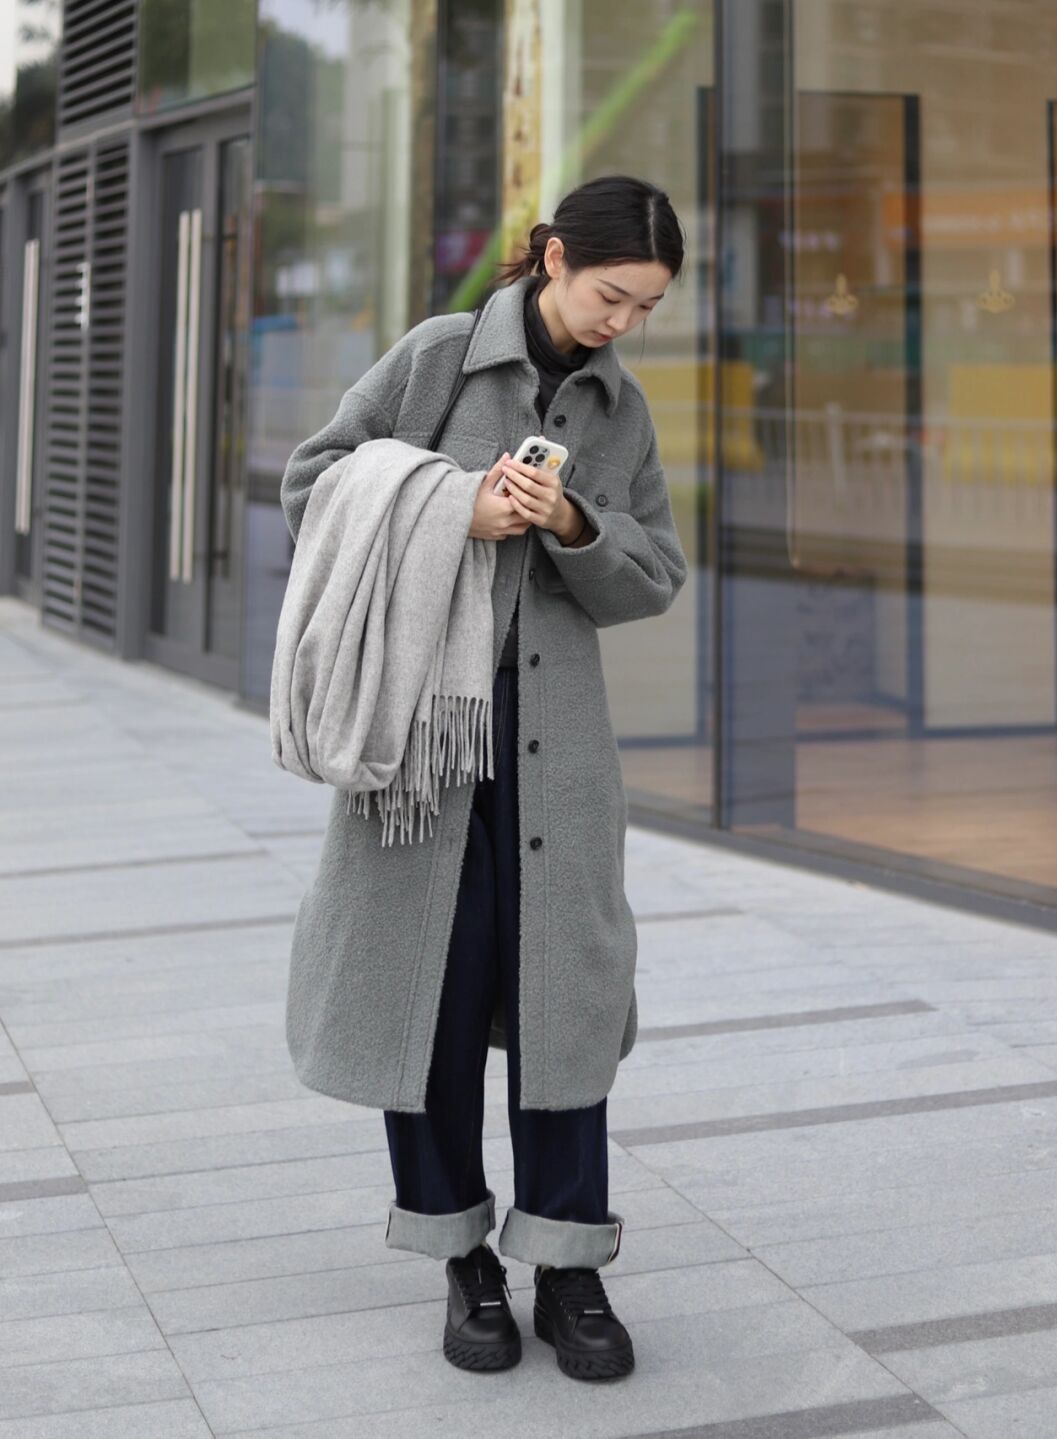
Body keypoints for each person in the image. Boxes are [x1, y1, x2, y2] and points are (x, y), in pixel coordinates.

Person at [278, 174, 688, 1383]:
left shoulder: (621, 410)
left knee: (563, 1002)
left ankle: (570, 1263)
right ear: (553, 258)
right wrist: (457, 505)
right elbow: (315, 481)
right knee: (431, 1006)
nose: (622, 321)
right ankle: (463, 1256)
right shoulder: (441, 358)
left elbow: (657, 572)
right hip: (425, 751)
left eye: (646, 306)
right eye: (612, 293)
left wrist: (571, 525)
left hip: (557, 757)